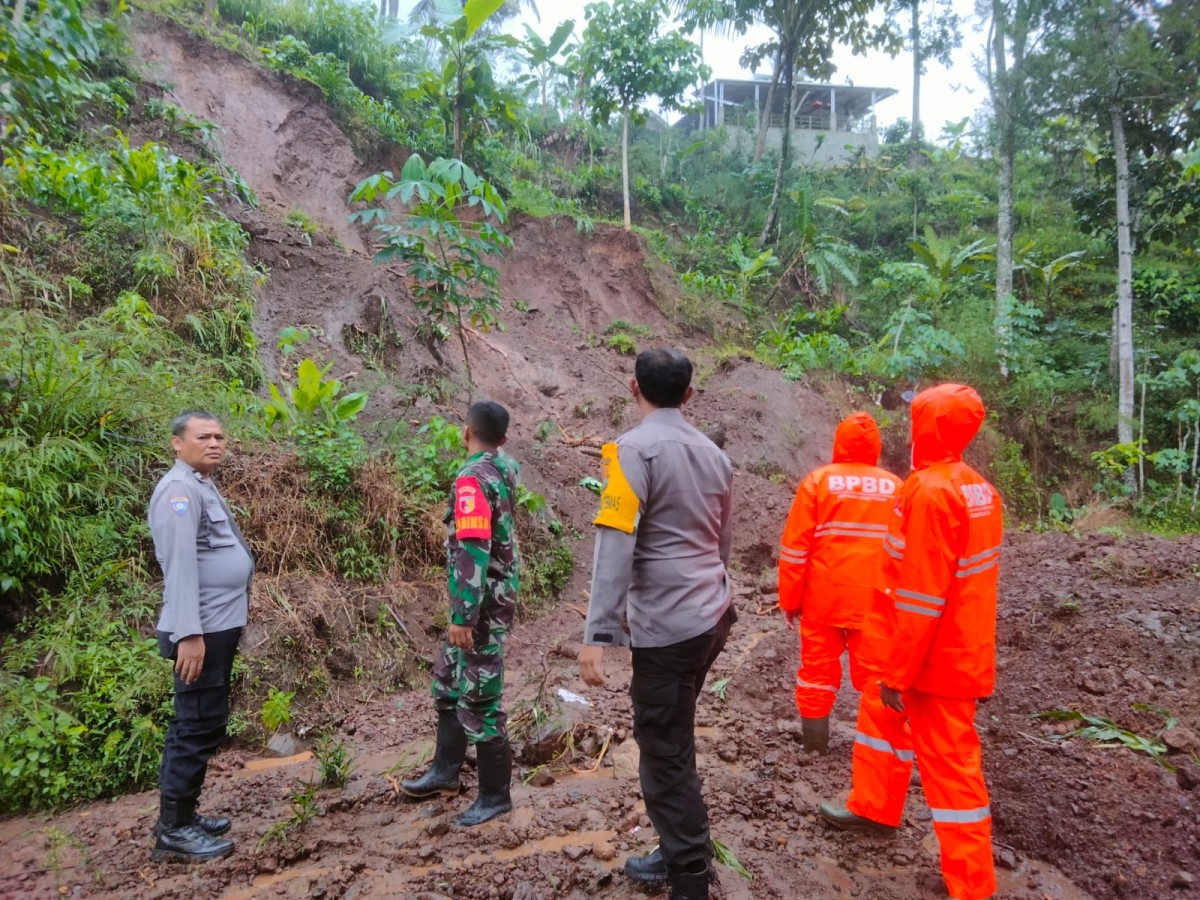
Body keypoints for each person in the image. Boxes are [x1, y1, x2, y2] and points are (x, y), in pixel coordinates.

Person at [818, 384, 1003, 900]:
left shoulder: (929, 492)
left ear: (928, 425)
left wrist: (899, 673)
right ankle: (872, 806)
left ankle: (972, 885)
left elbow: (922, 597)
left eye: (915, 416)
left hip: (930, 659)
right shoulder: (977, 488)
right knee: (880, 726)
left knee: (950, 767)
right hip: (943, 647)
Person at [578, 348, 735, 900]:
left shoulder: (630, 451)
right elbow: (722, 543)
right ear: (689, 395)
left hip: (668, 628)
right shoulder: (715, 455)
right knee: (674, 730)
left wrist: (597, 634)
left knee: (663, 751)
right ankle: (676, 848)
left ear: (632, 387)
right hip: (711, 617)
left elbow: (616, 542)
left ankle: (688, 874)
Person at [401, 400, 520, 827]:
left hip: (480, 604)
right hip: (485, 597)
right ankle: (445, 773)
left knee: (481, 697)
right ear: (503, 440)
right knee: (449, 683)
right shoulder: (502, 468)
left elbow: (473, 548)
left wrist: (464, 615)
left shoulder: (472, 479)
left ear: (464, 431)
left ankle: (495, 796)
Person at [149, 410, 254, 863]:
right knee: (194, 726)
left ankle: (184, 817)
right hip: (200, 630)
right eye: (202, 436)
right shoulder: (178, 492)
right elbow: (179, 566)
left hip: (216, 624)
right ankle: (173, 830)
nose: (214, 443)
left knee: (203, 721)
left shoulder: (198, 483)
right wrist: (189, 633)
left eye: (219, 436)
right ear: (177, 442)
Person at [778, 412, 898, 754]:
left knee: (816, 673)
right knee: (877, 679)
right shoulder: (897, 488)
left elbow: (795, 549)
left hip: (823, 600)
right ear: (876, 447)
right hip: (875, 603)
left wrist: (789, 599)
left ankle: (815, 748)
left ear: (839, 443)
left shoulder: (818, 482)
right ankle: (877, 754)